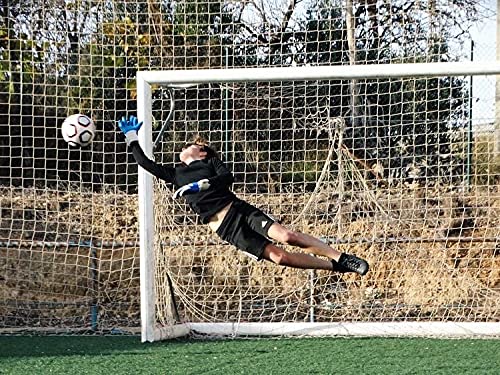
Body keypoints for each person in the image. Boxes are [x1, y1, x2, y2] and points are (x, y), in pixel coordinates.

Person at [118, 115, 369, 275]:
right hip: (226, 229)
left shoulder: (211, 164)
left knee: (287, 236)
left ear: (202, 152)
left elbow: (227, 178)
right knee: (280, 258)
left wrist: (202, 186)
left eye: (190, 145)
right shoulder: (174, 174)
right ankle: (333, 266)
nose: (184, 147)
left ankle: (342, 257)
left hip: (238, 210)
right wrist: (131, 137)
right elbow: (145, 163)